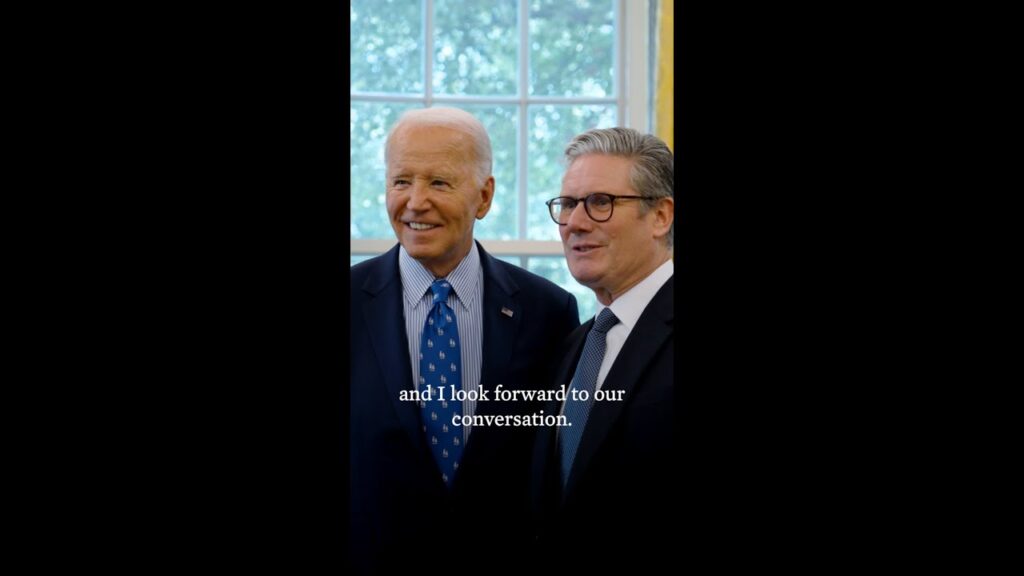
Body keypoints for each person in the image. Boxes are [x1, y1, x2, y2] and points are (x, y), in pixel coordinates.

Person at [349, 107, 580, 573]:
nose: (415, 202)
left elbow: (553, 465)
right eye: (401, 181)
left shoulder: (549, 312)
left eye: (439, 182)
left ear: (485, 196)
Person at [530, 127, 675, 568]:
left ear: (661, 217)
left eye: (600, 202)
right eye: (568, 204)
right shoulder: (576, 343)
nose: (574, 221)